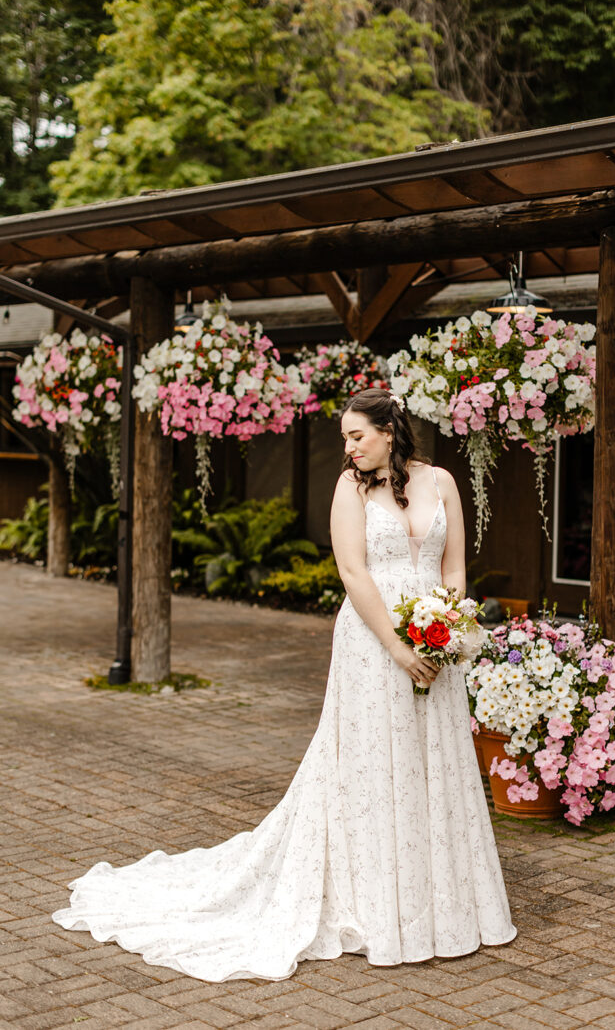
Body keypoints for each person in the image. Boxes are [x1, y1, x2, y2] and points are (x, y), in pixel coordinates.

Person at [52, 387, 516, 982]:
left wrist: (447, 629)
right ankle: (376, 903)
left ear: (391, 429)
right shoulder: (351, 487)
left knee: (434, 765)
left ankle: (444, 906)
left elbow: (453, 566)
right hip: (374, 645)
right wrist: (401, 648)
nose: (348, 448)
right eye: (344, 438)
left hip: (437, 641)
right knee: (375, 767)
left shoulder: (444, 482)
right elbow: (352, 571)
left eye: (357, 435)